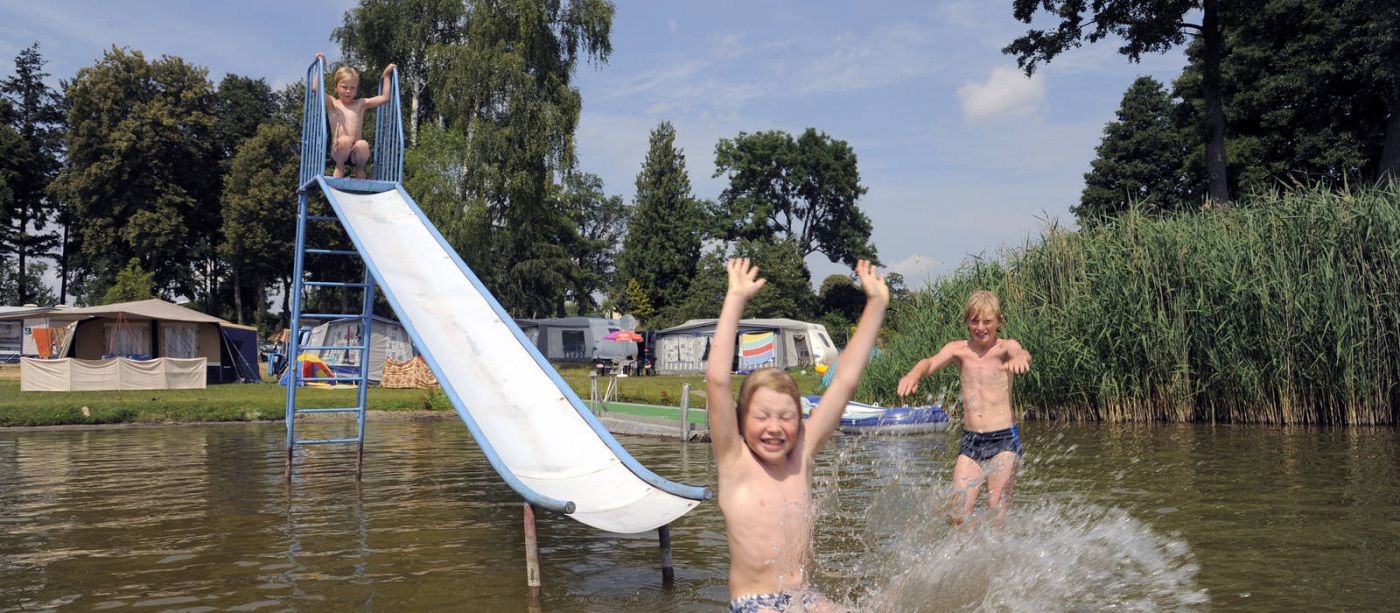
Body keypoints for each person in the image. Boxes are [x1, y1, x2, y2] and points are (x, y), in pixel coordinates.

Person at [708, 258, 888, 613]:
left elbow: (844, 380)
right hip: (754, 603)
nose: (774, 427)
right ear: (742, 421)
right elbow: (716, 381)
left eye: (786, 417)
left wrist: (876, 305)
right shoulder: (734, 461)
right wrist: (735, 299)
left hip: (802, 598)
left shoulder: (801, 455)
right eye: (762, 416)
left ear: (801, 422)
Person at [896, 290, 1031, 526]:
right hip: (971, 441)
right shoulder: (959, 350)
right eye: (974, 321)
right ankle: (969, 556)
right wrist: (914, 374)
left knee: (996, 514)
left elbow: (1020, 352)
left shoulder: (1005, 348)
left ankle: (996, 558)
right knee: (957, 515)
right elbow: (929, 362)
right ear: (966, 322)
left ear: (999, 321)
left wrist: (1021, 359)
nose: (981, 327)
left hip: (1003, 440)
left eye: (987, 321)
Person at [313, 53, 396, 179]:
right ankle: (339, 166)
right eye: (344, 87)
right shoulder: (333, 103)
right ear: (335, 87)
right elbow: (315, 89)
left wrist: (386, 76)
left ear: (356, 90)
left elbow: (385, 98)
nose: (348, 91)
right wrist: (322, 66)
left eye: (352, 88)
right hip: (339, 150)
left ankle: (360, 168)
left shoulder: (360, 104)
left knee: (363, 144)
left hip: (356, 153)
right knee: (345, 141)